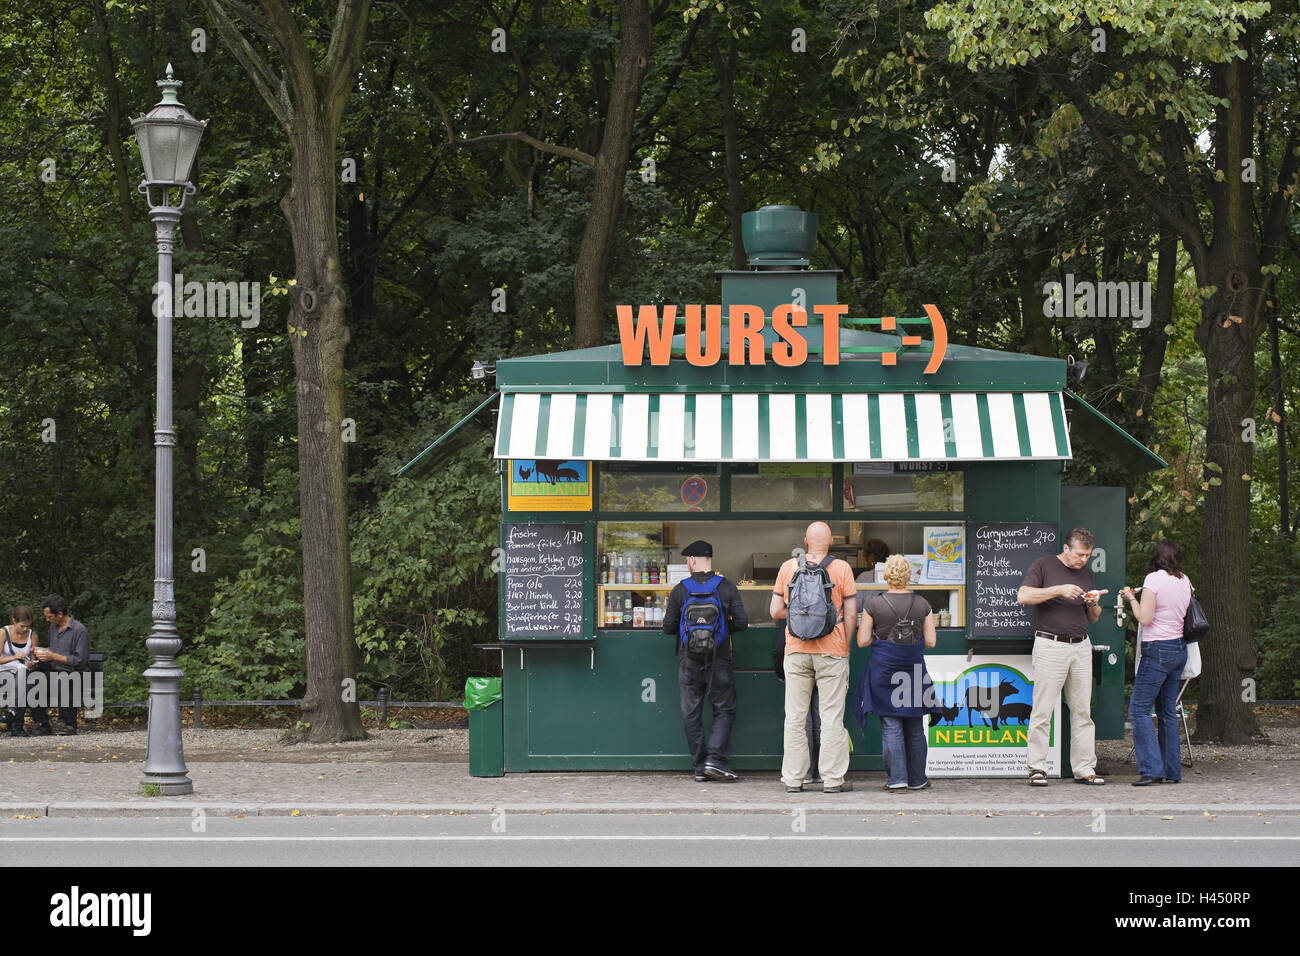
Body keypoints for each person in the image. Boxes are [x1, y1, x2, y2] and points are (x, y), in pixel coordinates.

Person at [771, 521, 857, 793]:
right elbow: (853, 614)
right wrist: (845, 645)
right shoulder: (842, 568)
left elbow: (775, 611)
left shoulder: (788, 567)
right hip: (832, 650)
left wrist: (801, 616)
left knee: (795, 717)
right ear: (830, 542)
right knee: (831, 717)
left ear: (806, 541)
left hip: (796, 651)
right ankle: (832, 780)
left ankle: (794, 779)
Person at [1017, 528, 1107, 786]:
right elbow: (1023, 596)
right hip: (1050, 644)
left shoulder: (1087, 573)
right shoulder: (1043, 565)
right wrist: (1059, 590)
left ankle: (1085, 769)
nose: (1083, 560)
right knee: (1042, 710)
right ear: (1066, 549)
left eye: (1087, 555)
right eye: (1080, 554)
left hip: (1081, 646)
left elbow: (1095, 616)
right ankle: (1036, 768)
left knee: (1082, 711)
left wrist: (1092, 602)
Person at [662, 540, 748, 782]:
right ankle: (716, 760)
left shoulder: (681, 589)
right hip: (719, 659)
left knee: (691, 713)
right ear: (710, 560)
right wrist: (719, 630)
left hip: (689, 661)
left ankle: (700, 767)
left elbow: (668, 627)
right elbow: (742, 622)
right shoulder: (727, 587)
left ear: (692, 560)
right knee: (725, 709)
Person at [856, 554, 938, 792]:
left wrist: (879, 638)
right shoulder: (923, 604)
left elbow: (862, 641)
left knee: (891, 724)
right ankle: (918, 779)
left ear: (885, 576)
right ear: (909, 576)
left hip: (884, 669)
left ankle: (897, 780)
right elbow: (931, 641)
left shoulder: (874, 604)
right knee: (914, 724)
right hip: (913, 669)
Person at [1121, 540, 1192, 785]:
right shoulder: (1185, 580)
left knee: (1139, 710)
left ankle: (1151, 769)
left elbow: (1145, 618)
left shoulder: (1153, 579)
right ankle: (1172, 771)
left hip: (1158, 649)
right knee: (1167, 713)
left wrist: (1131, 598)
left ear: (1156, 557)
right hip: (1179, 649)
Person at [31, 595, 89, 736]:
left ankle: (68, 724)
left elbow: (80, 660)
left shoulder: (79, 630)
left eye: (50, 616)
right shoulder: (53, 627)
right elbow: (53, 652)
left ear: (60, 614)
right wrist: (41, 652)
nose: (47, 620)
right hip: (56, 669)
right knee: (33, 679)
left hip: (76, 672)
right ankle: (43, 724)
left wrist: (53, 656)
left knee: (61, 679)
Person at [772, 619, 822, 783]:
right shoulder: (830, 597)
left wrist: (781, 671)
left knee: (800, 719)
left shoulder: (791, 602)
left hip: (798, 660)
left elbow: (781, 646)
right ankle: (823, 770)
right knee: (824, 716)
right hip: (827, 657)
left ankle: (804, 772)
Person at [0, 606, 42, 736]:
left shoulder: (33, 636)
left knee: (24, 679)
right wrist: (14, 656)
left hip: (22, 673)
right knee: (24, 683)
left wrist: (31, 664)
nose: (25, 629)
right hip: (3, 672)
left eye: (28, 626)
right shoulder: (3, 633)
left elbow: (33, 662)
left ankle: (12, 713)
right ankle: (16, 726)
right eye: (22, 626)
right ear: (14, 620)